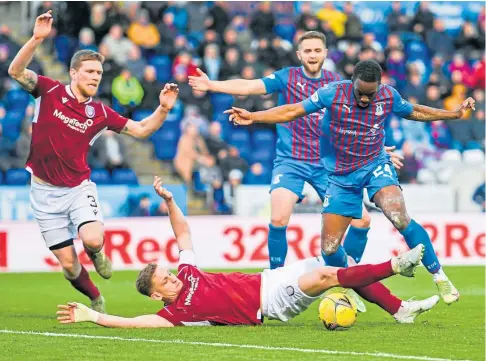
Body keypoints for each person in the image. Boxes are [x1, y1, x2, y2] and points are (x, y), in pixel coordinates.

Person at [226, 60, 476, 305]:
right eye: (360, 93)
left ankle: (439, 276)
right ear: (352, 82)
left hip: (375, 165)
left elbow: (415, 111)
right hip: (340, 176)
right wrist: (255, 116)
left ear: (379, 86)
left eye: (371, 94)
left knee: (398, 216)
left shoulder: (388, 95)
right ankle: (353, 282)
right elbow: (292, 110)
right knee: (330, 249)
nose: (365, 100)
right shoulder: (331, 93)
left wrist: (453, 114)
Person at [56, 176, 439, 328]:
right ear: (157, 294)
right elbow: (134, 323)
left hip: (269, 279)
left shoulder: (187, 274)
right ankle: (394, 266)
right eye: (164, 280)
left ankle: (399, 309)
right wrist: (92, 315)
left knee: (339, 262)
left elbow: (183, 233)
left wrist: (171, 200)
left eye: (168, 272)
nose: (173, 276)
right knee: (326, 276)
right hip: (270, 304)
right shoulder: (176, 313)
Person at [189, 31, 400, 280]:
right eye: (307, 51)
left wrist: (374, 149)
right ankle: (275, 281)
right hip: (291, 161)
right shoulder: (286, 77)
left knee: (362, 221)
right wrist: (212, 85)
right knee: (278, 217)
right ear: (299, 54)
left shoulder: (338, 83)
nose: (312, 55)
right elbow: (251, 85)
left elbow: (358, 121)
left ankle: (347, 275)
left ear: (325, 53)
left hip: (327, 165)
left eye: (317, 50)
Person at [8, 10, 179, 313]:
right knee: (69, 265)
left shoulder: (100, 113)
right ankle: (95, 296)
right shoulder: (48, 90)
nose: (95, 78)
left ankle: (97, 251)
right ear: (73, 73)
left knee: (90, 236)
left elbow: (140, 130)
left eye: (98, 74)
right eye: (89, 72)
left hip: (76, 188)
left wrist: (163, 110)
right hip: (43, 193)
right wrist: (37, 39)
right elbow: (16, 71)